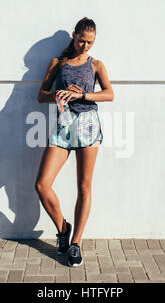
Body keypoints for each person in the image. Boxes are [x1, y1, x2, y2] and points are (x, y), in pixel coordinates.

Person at [35, 17, 114, 267]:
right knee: (42, 184)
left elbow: (110, 94)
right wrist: (57, 94)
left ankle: (76, 244)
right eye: (82, 40)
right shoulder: (58, 64)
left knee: (84, 187)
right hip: (64, 125)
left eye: (90, 42)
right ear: (74, 35)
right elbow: (41, 96)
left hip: (88, 125)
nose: (85, 46)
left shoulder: (96, 65)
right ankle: (63, 229)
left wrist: (83, 94)